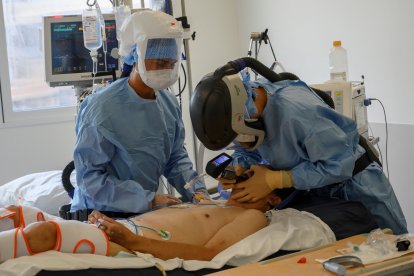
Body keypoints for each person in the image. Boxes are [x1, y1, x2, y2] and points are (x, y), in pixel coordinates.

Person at [189, 58, 408, 235]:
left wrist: (276, 179)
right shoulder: (249, 109)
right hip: (318, 194)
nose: (239, 143)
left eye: (238, 136)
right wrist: (238, 166)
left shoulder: (299, 114)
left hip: (356, 187)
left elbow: (337, 166)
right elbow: (251, 148)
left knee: (393, 250)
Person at [70, 10, 208, 219]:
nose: (166, 70)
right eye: (160, 64)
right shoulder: (101, 109)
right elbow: (90, 180)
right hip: (100, 214)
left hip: (143, 212)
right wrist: (149, 199)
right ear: (136, 56)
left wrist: (197, 191)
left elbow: (175, 158)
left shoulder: (168, 103)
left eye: (171, 64)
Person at [0, 188, 282, 263]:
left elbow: (213, 253)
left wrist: (133, 242)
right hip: (120, 227)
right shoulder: (213, 202)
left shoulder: (254, 216)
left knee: (44, 233)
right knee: (17, 212)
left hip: (130, 244)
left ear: (272, 196)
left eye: (252, 175)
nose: (239, 177)